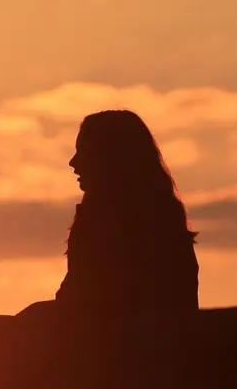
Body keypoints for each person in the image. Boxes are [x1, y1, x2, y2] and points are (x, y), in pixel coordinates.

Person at [50, 109, 199, 316]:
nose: (73, 162)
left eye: (83, 151)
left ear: (110, 158)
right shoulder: (159, 220)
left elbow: (84, 307)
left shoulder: (139, 230)